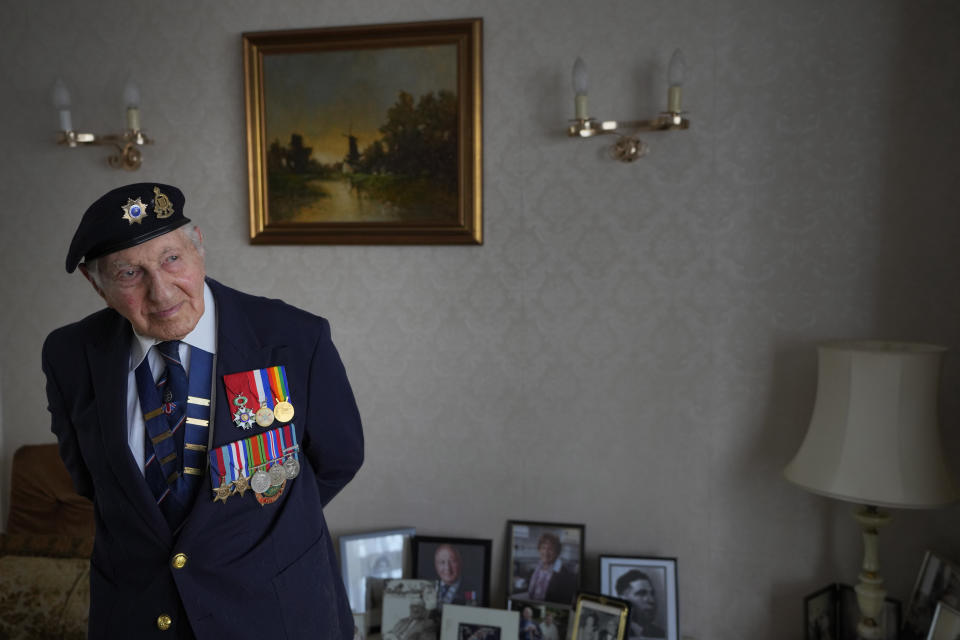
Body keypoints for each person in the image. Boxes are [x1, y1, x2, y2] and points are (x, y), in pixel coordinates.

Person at [42, 183, 364, 639]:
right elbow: (91, 480)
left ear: (198, 245)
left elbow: (338, 460)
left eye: (172, 259)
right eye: (129, 273)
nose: (161, 290)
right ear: (98, 284)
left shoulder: (294, 336)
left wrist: (248, 526)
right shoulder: (69, 354)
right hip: (137, 617)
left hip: (275, 613)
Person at [526, 532, 578, 604]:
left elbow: (565, 603)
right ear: (539, 549)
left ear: (557, 552)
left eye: (550, 549)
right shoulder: (537, 569)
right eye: (543, 548)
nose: (546, 552)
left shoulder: (564, 574)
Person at [615, 570, 666, 639]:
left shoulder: (660, 633)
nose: (651, 600)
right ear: (623, 600)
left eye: (652, 593)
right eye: (641, 593)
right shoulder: (615, 631)